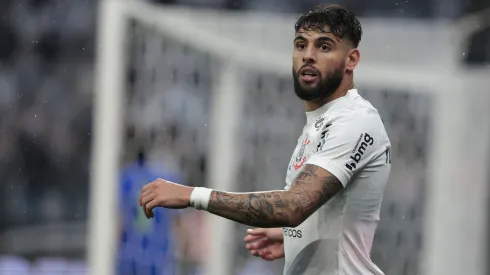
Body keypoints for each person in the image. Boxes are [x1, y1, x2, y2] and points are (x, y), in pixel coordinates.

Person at [139, 4, 392, 275]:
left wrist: (192, 195)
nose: (308, 55)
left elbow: (293, 206)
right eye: (300, 45)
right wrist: (296, 236)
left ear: (351, 60)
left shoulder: (354, 121)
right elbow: (329, 207)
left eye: (324, 46)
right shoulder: (320, 124)